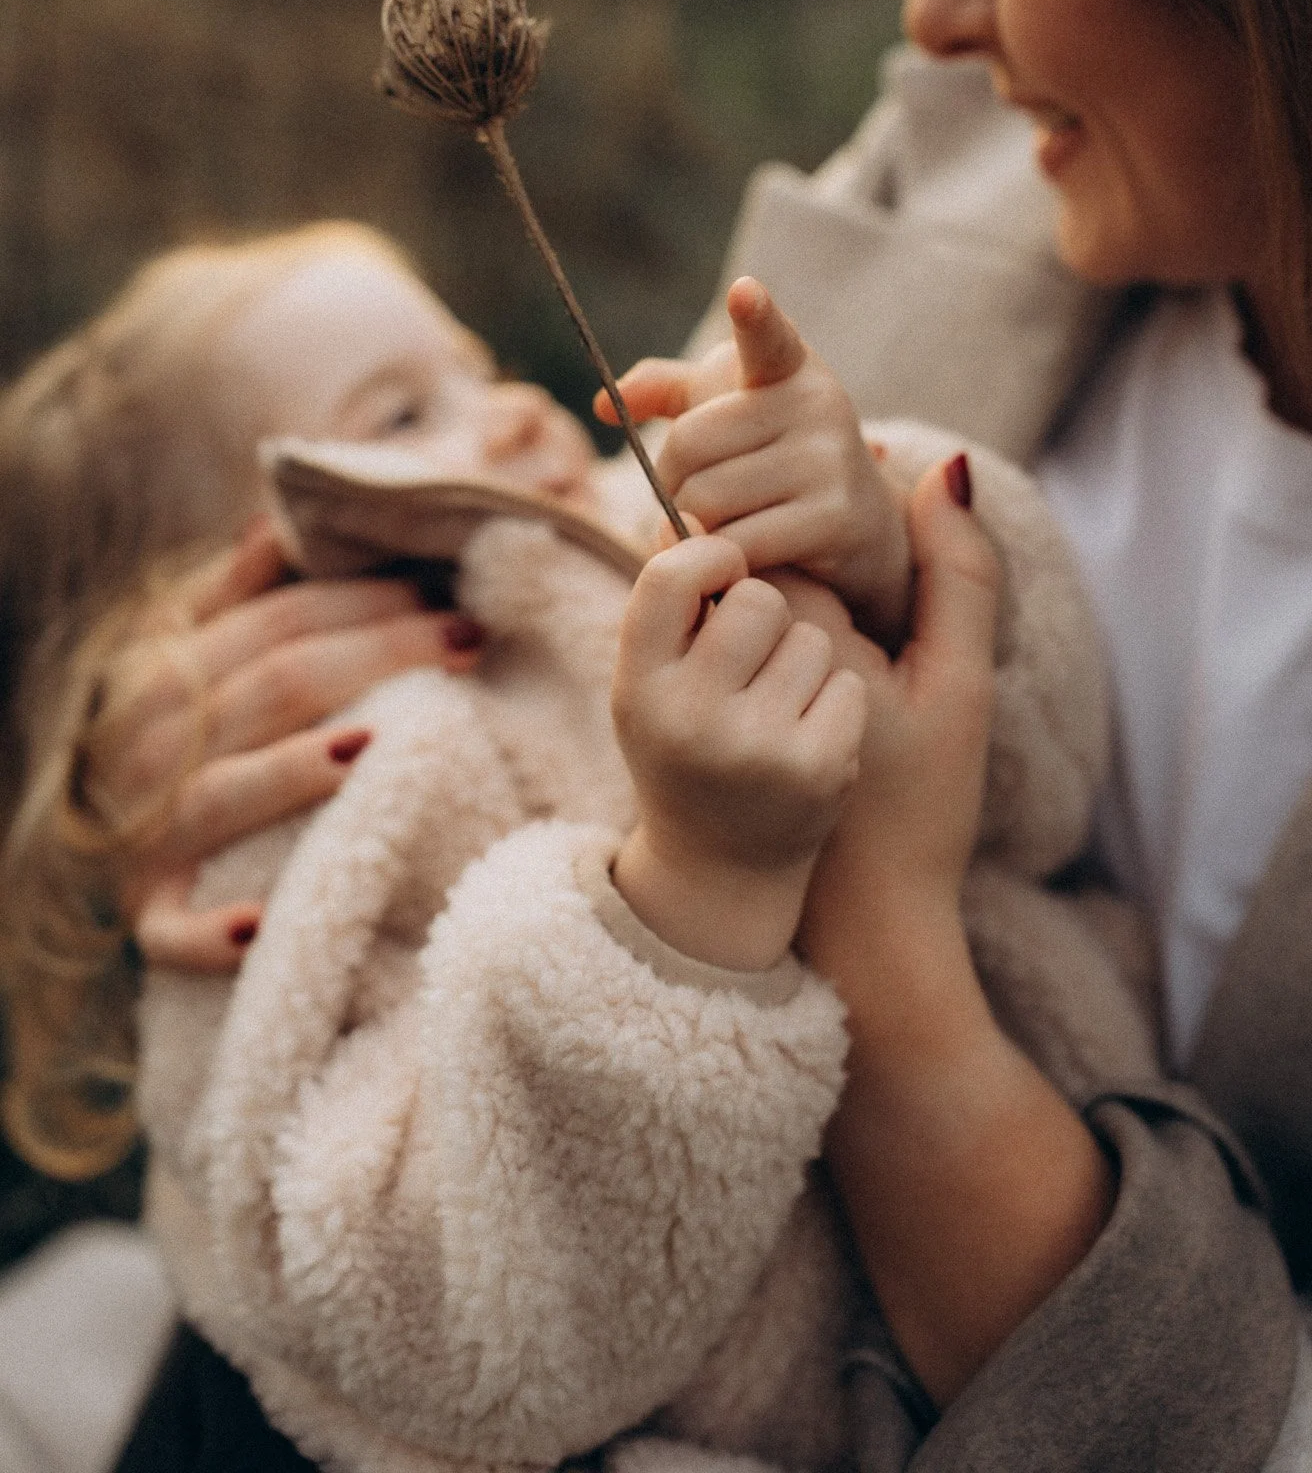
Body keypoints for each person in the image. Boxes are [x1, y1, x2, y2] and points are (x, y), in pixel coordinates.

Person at [97, 0, 1312, 1458]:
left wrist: (863, 931)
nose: (932, 12)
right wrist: (206, 724)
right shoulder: (976, 158)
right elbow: (582, 597)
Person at [0, 218, 1147, 1472]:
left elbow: (1051, 786)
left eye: (474, 365)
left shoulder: (637, 529)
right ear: (222, 599)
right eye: (399, 417)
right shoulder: (301, 816)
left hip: (1101, 1251)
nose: (507, 414)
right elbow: (432, 1318)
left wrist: (886, 551)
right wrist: (690, 902)